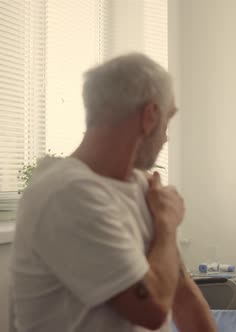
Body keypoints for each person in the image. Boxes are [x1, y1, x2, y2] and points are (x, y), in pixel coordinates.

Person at [10, 53, 216, 332]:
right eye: (167, 120)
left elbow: (181, 293)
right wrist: (166, 225)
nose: (166, 137)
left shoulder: (142, 187)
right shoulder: (65, 193)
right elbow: (152, 309)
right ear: (150, 117)